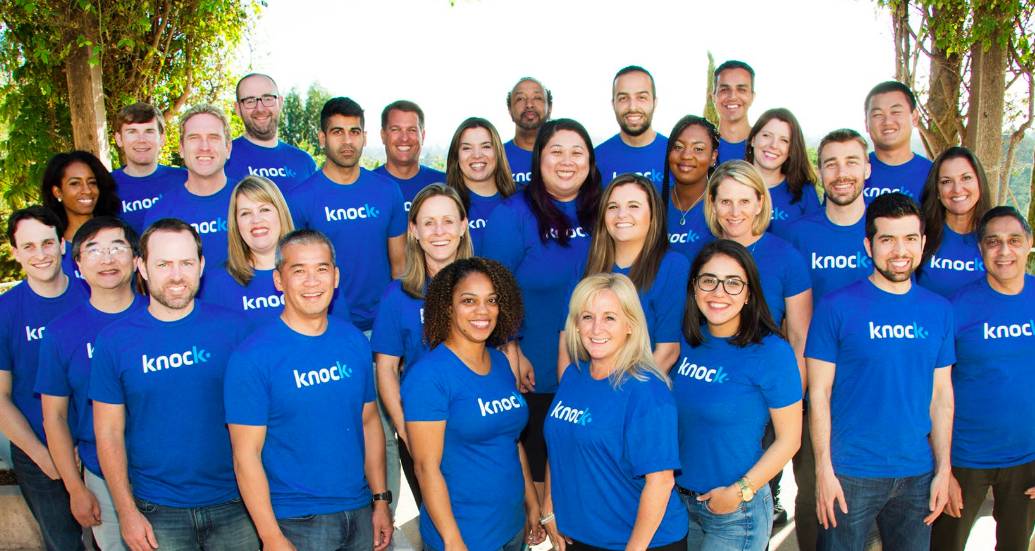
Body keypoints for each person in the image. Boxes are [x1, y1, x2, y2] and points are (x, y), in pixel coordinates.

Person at [91, 218, 258, 550]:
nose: (177, 275)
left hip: (236, 503)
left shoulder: (236, 330)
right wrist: (126, 512)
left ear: (201, 265)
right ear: (142, 267)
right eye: (163, 264)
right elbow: (108, 432)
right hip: (157, 510)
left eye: (186, 263)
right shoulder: (114, 342)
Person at [226, 229, 393, 551]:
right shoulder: (252, 357)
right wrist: (271, 536)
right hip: (296, 521)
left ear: (336, 276)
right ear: (279, 280)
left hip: (359, 511)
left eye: (321, 269)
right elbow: (245, 456)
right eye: (299, 271)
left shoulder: (353, 341)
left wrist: (380, 500)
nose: (312, 281)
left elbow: (369, 421)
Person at [807, 193, 954, 551]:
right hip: (850, 472)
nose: (899, 250)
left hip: (917, 473)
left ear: (922, 244)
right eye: (887, 239)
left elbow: (941, 396)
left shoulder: (939, 310)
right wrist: (823, 470)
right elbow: (819, 393)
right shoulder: (835, 307)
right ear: (868, 245)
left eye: (909, 238)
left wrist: (943, 469)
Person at [479, 118, 601, 501]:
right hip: (534, 372)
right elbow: (493, 287)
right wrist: (512, 347)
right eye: (556, 151)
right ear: (539, 158)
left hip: (597, 371)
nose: (567, 161)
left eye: (577, 152)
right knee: (537, 483)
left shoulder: (604, 211)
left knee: (585, 483)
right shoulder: (512, 215)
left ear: (590, 161)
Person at [402, 257, 545, 551]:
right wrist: (452, 540)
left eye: (491, 300)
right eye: (469, 301)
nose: (483, 311)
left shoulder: (501, 362)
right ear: (448, 307)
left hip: (511, 528)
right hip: (466, 536)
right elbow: (426, 468)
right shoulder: (429, 376)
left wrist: (531, 501)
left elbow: (512, 440)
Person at [672, 239, 803, 550]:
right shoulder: (686, 342)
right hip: (680, 504)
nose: (719, 292)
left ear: (749, 294)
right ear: (694, 288)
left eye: (733, 283)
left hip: (735, 512)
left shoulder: (772, 352)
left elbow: (790, 439)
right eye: (709, 280)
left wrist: (739, 491)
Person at [543, 273, 688, 550]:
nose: (596, 328)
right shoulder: (574, 375)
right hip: (581, 536)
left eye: (610, 317)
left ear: (630, 325)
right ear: (575, 325)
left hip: (640, 542)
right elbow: (558, 442)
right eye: (587, 317)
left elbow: (660, 483)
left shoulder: (647, 391)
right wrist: (549, 504)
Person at [703, 160, 812, 525]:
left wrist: (789, 403)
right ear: (712, 204)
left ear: (761, 202)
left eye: (744, 201)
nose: (735, 211)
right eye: (725, 201)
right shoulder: (701, 256)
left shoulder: (786, 257)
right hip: (710, 399)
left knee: (750, 504)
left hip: (764, 401)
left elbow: (799, 336)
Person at [36, 217, 143, 551]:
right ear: (78, 265)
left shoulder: (161, 316)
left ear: (136, 259)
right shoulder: (60, 333)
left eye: (117, 247)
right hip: (101, 475)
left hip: (167, 474)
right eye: (94, 250)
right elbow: (54, 417)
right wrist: (75, 487)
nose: (107, 259)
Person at [931, 206, 1035, 550]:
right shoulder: (956, 308)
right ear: (980, 249)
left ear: (1029, 244)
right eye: (993, 242)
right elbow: (935, 390)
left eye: (1014, 240)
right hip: (964, 458)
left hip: (1027, 459)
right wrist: (943, 469)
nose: (1004, 251)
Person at [372, 184, 473, 508]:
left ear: (463, 226)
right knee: (438, 523)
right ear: (414, 230)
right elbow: (386, 368)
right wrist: (404, 428)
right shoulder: (397, 295)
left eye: (447, 221)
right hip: (423, 428)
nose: (439, 231)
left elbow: (503, 354)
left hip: (478, 426)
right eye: (428, 223)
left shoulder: (487, 284)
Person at [0, 207, 88, 551]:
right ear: (15, 252)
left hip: (99, 447)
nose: (41, 254)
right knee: (63, 545)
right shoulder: (6, 311)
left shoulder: (90, 294)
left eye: (47, 243)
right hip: (40, 450)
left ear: (62, 245)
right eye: (29, 246)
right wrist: (42, 455)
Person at [290, 96, 406, 333]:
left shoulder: (387, 191)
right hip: (328, 327)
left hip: (383, 325)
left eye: (354, 132)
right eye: (337, 132)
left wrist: (399, 321)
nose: (347, 141)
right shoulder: (299, 199)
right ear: (322, 138)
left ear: (364, 137)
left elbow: (400, 267)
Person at [200, 175, 349, 330]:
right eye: (245, 213)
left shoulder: (317, 275)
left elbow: (342, 334)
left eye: (264, 210)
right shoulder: (216, 284)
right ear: (236, 224)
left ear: (281, 213)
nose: (256, 220)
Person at [573, 174, 689, 373]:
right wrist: (572, 388)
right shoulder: (587, 263)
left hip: (640, 386)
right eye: (612, 207)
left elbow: (668, 352)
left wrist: (622, 391)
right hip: (588, 384)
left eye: (633, 206)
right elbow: (568, 341)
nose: (621, 214)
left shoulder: (673, 266)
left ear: (653, 214)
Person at [143, 104, 236, 269]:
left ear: (228, 148)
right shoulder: (161, 213)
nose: (204, 147)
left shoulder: (251, 201)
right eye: (194, 138)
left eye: (213, 137)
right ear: (181, 149)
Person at [784, 129, 872, 302]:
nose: (841, 174)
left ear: (867, 170)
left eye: (851, 162)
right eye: (831, 164)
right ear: (819, 172)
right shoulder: (797, 235)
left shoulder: (886, 229)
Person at [916, 146, 991, 298]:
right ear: (937, 190)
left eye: (966, 178)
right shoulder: (920, 235)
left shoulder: (996, 238)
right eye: (946, 181)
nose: (957, 189)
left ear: (980, 183)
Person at [225, 73, 317, 193]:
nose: (260, 109)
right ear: (237, 108)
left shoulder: (304, 163)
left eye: (268, 99)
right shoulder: (222, 159)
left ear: (280, 102)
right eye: (250, 101)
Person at [40, 151, 122, 285]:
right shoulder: (52, 252)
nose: (87, 190)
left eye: (92, 182)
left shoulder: (121, 237)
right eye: (75, 183)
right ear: (57, 192)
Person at [111, 102, 187, 233]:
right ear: (119, 139)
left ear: (162, 138)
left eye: (149, 131)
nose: (141, 140)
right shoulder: (106, 186)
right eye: (132, 132)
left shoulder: (184, 179)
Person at [744, 108, 822, 236]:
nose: (773, 145)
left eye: (784, 140)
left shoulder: (804, 191)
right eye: (766, 135)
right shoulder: (731, 184)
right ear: (753, 139)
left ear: (791, 149)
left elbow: (814, 238)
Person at [445, 117, 517, 248]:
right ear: (456, 155)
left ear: (498, 151)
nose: (477, 155)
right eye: (467, 148)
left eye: (486, 146)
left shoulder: (525, 197)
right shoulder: (444, 203)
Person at [595, 65, 667, 188]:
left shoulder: (675, 155)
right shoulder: (597, 159)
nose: (632, 107)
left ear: (655, 102)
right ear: (613, 104)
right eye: (623, 98)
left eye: (642, 97)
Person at [661, 115, 719, 262]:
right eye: (678, 147)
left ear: (713, 157)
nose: (686, 155)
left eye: (698, 149)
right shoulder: (653, 202)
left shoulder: (723, 204)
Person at [863, 81, 931, 202]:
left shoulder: (933, 175)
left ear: (914, 117)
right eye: (878, 114)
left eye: (896, 112)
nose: (887, 121)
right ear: (866, 124)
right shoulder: (852, 173)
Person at [373, 100, 446, 211]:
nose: (404, 138)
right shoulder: (367, 186)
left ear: (423, 136)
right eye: (395, 130)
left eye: (412, 130)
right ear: (383, 135)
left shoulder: (444, 184)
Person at [504, 77, 552, 186]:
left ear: (549, 108)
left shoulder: (566, 156)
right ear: (510, 110)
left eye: (537, 98)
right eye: (520, 99)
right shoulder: (496, 157)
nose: (529, 104)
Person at [713, 60, 756, 164]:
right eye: (724, 89)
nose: (732, 97)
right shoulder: (701, 147)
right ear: (714, 97)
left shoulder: (767, 148)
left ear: (752, 97)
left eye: (741, 90)